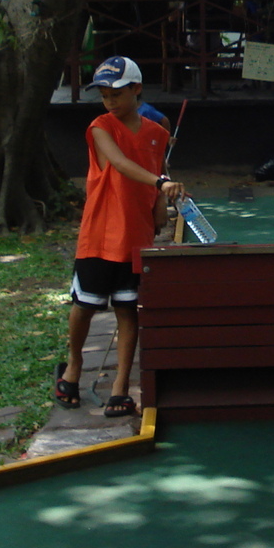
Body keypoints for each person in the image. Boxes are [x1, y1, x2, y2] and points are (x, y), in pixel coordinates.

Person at [55, 56, 184, 417]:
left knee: (128, 311)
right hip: (99, 234)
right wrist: (160, 183)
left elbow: (160, 170)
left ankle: (120, 386)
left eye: (117, 91)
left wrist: (161, 198)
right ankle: (73, 366)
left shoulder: (158, 133)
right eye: (104, 92)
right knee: (85, 307)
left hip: (136, 237)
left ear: (136, 89)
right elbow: (121, 164)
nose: (109, 98)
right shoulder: (100, 127)